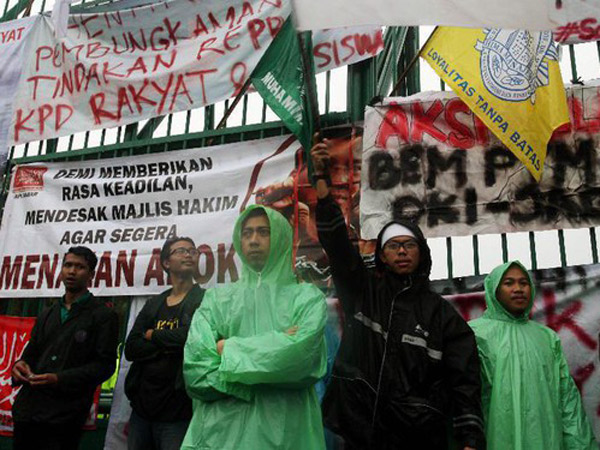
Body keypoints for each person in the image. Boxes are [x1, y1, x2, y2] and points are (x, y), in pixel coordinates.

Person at [311, 140, 485, 450]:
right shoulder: (362, 291)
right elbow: (337, 246)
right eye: (393, 245)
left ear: (422, 254)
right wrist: (322, 184)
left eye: (409, 245)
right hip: (355, 433)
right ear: (382, 255)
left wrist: (470, 439)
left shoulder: (442, 317)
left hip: (417, 440)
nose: (402, 251)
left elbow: (464, 384)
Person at [182, 205, 328, 450]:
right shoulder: (217, 300)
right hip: (220, 437)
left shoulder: (306, 298)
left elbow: (300, 361)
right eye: (247, 233)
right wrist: (276, 346)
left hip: (287, 435)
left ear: (280, 237)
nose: (254, 240)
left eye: (263, 232)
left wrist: (226, 348)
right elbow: (196, 373)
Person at [469, 261, 596, 450]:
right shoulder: (474, 334)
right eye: (509, 283)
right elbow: (465, 398)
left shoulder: (546, 338)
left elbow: (566, 397)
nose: (518, 289)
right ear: (493, 289)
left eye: (523, 283)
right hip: (496, 437)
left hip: (546, 439)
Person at [11, 246, 119, 450]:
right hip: (28, 411)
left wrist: (59, 379)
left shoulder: (103, 316)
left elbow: (104, 366)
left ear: (91, 275)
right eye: (68, 265)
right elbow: (31, 353)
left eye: (80, 267)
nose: (72, 271)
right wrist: (19, 365)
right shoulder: (48, 313)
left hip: (64, 416)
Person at [124, 237, 205, 450]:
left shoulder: (204, 299)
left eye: (192, 250)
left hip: (178, 412)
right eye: (181, 251)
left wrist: (153, 336)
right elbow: (131, 348)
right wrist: (170, 345)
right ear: (166, 263)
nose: (188, 254)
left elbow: (193, 338)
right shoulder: (154, 304)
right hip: (142, 411)